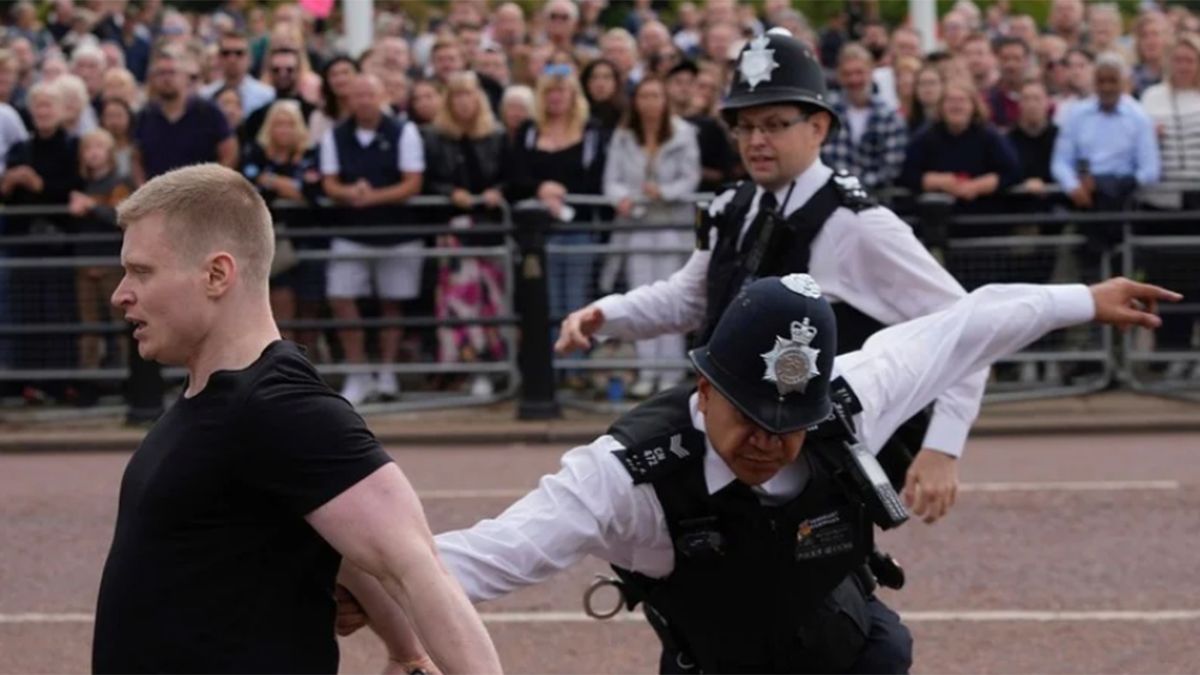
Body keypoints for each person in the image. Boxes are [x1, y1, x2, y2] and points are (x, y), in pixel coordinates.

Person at [338, 272, 1178, 674]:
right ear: (704, 385)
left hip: (852, 659)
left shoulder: (853, 395)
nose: (773, 441)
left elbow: (974, 320)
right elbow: (494, 552)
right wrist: (352, 590)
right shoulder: (627, 478)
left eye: (793, 422)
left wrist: (1084, 299)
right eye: (751, 414)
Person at [558, 29, 984, 523]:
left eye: (776, 124)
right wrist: (606, 314)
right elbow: (691, 299)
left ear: (818, 127)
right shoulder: (733, 206)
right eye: (745, 126)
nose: (756, 140)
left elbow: (969, 325)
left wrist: (943, 447)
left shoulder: (858, 224)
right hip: (740, 441)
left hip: (814, 460)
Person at [91, 163, 501, 674]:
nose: (121, 293)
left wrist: (418, 656)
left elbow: (412, 566)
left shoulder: (282, 406)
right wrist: (404, 649)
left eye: (142, 271)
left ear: (217, 274)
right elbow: (337, 534)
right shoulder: (223, 399)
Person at [319, 73, 425, 406]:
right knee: (341, 298)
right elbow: (329, 182)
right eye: (358, 95)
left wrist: (373, 197)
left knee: (392, 303)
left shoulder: (404, 131)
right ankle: (358, 372)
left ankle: (387, 372)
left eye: (370, 94)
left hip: (396, 234)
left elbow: (412, 182)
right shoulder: (335, 135)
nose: (364, 101)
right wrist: (348, 193)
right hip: (351, 233)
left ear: (382, 96)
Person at [602, 76, 700, 397]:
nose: (650, 102)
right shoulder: (623, 135)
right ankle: (646, 372)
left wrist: (665, 192)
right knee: (640, 296)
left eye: (656, 95)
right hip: (636, 225)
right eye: (644, 96)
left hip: (671, 225)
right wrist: (623, 199)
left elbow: (690, 178)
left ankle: (669, 373)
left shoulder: (684, 133)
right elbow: (611, 181)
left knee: (670, 297)